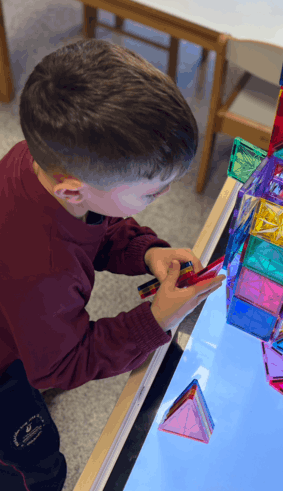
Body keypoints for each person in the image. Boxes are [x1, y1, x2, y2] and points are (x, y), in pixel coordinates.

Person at [0, 40, 225, 490]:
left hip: (29, 327)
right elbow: (63, 363)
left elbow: (97, 225)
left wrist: (146, 251)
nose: (164, 197)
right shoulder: (43, 270)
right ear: (72, 190)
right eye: (151, 192)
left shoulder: (39, 158)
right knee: (36, 465)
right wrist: (155, 319)